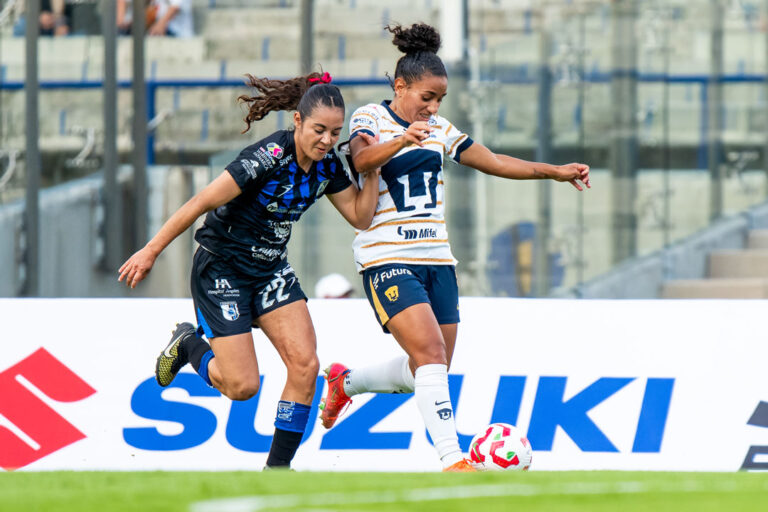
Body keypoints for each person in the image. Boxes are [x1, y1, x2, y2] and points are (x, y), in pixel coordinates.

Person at [319, 23, 590, 472]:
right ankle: (452, 459)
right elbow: (360, 159)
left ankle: (345, 383)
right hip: (387, 256)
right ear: (400, 86)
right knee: (430, 356)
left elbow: (497, 162)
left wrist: (555, 171)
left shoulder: (441, 128)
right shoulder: (371, 117)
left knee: (426, 367)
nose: (434, 106)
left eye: (440, 98)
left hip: (438, 260)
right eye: (427, 97)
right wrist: (401, 139)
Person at [118, 71, 380, 469]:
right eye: (319, 130)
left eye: (334, 132)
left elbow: (361, 217)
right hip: (221, 266)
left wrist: (373, 167)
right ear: (297, 121)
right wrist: (150, 251)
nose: (327, 140)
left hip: (270, 269)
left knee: (306, 366)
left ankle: (277, 472)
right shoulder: (269, 157)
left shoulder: (329, 168)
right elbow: (200, 202)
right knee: (242, 387)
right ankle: (189, 344)